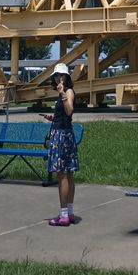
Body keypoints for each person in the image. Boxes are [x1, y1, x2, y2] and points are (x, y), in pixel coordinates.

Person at [42, 62, 80, 226]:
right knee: (68, 174)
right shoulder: (63, 93)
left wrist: (63, 93)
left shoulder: (68, 92)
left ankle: (63, 214)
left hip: (62, 137)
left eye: (62, 75)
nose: (59, 78)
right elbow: (65, 114)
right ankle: (69, 212)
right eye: (57, 75)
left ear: (67, 78)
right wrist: (53, 118)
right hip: (63, 133)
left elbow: (69, 110)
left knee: (62, 174)